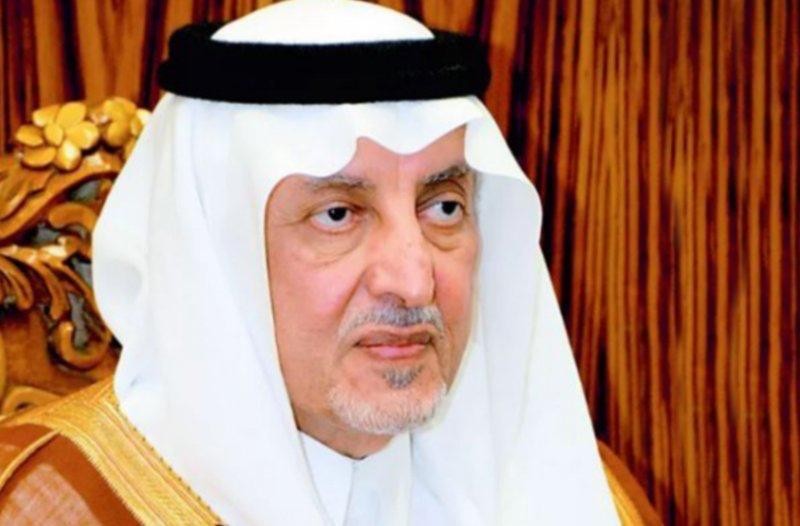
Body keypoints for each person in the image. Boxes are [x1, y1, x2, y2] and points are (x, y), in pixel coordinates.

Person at [0, 0, 620, 524]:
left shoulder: (572, 492)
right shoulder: (49, 502)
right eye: (338, 215)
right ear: (218, 253)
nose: (414, 281)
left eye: (444, 207)